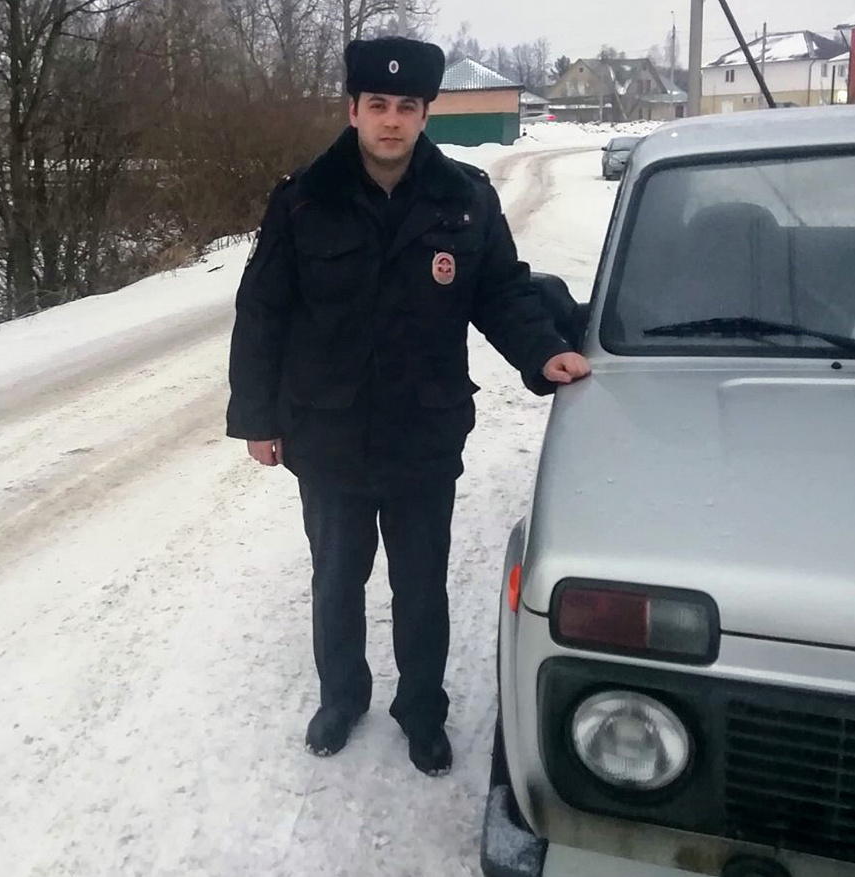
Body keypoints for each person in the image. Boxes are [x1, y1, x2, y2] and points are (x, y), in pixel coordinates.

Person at [225, 36, 591, 776]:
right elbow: (262, 311)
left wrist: (541, 350)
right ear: (353, 110)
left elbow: (501, 291)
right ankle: (342, 697)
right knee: (337, 581)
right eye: (378, 105)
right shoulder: (303, 199)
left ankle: (422, 711)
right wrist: (257, 419)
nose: (391, 120)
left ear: (426, 114)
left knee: (421, 586)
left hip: (424, 430)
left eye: (407, 106)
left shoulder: (465, 198)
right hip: (327, 432)